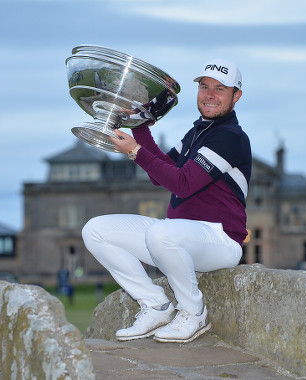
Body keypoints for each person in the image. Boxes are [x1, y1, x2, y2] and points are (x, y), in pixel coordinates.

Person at [81, 58, 252, 343]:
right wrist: (140, 124)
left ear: (236, 96)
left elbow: (182, 184)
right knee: (95, 230)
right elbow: (160, 175)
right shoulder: (198, 132)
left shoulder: (231, 137)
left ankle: (194, 314)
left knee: (162, 233)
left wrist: (134, 150)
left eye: (220, 89)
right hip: (178, 235)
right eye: (205, 87)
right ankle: (156, 305)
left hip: (220, 240)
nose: (210, 95)